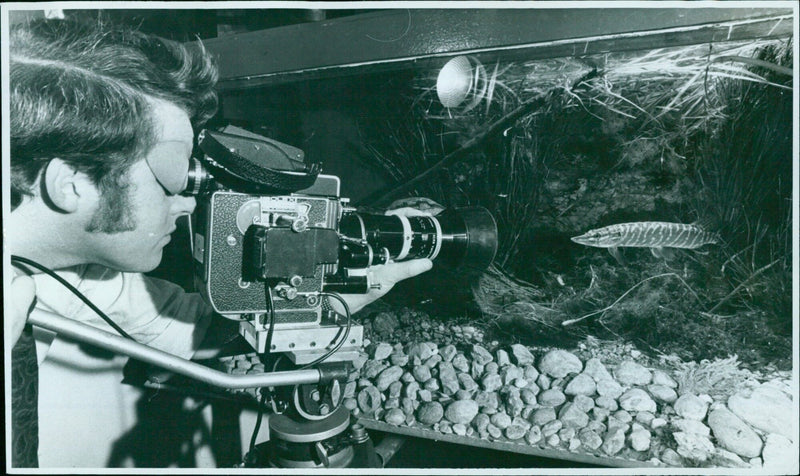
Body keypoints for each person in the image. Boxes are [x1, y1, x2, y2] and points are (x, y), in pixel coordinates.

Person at [5, 17, 431, 468]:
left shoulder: (80, 273)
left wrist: (332, 294)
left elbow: (185, 328)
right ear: (70, 183)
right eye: (173, 181)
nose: (188, 205)